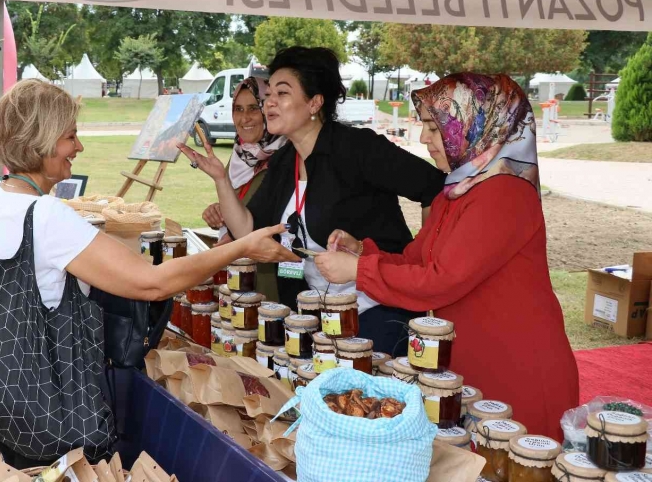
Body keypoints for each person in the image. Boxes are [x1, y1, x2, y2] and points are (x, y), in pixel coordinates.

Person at [0, 79, 297, 466]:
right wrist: (242, 247)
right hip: (49, 405)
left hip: (7, 398)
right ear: (43, 140)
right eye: (71, 136)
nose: (79, 147)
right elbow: (152, 283)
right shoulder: (46, 216)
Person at [315, 73, 578, 439]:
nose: (423, 139)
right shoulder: (458, 188)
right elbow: (417, 260)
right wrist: (362, 251)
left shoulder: (503, 193)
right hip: (472, 362)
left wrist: (359, 270)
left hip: (517, 368)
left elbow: (440, 280)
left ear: (475, 127)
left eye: (434, 128)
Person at [180, 47, 445, 356]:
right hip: (315, 318)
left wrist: (425, 262)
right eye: (270, 94)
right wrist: (220, 179)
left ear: (314, 103)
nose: (270, 102)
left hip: (377, 313)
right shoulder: (285, 160)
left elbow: (434, 187)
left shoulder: (357, 149)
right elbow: (247, 228)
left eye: (283, 92)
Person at [201, 77, 286, 300]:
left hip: (270, 278)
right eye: (238, 109)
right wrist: (218, 211)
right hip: (236, 271)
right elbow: (239, 201)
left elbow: (276, 219)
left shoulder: (284, 157)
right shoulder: (240, 155)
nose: (244, 118)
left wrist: (234, 231)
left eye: (253, 109)